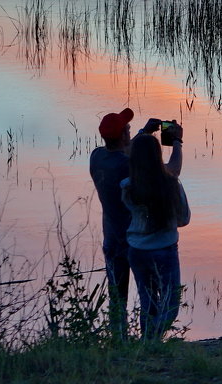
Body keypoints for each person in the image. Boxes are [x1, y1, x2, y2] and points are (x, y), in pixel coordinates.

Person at [121, 120, 189, 337]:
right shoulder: (170, 185)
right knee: (170, 304)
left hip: (137, 250)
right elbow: (183, 219)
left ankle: (148, 343)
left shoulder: (127, 187)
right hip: (165, 249)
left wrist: (144, 132)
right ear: (158, 155)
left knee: (148, 302)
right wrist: (176, 141)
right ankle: (151, 341)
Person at [88, 107, 135, 335]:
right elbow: (129, 159)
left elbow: (119, 151)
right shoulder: (126, 166)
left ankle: (118, 338)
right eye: (128, 129)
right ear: (124, 136)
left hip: (111, 240)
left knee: (117, 297)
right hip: (132, 240)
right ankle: (152, 339)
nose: (129, 130)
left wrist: (143, 133)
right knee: (152, 290)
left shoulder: (96, 157)